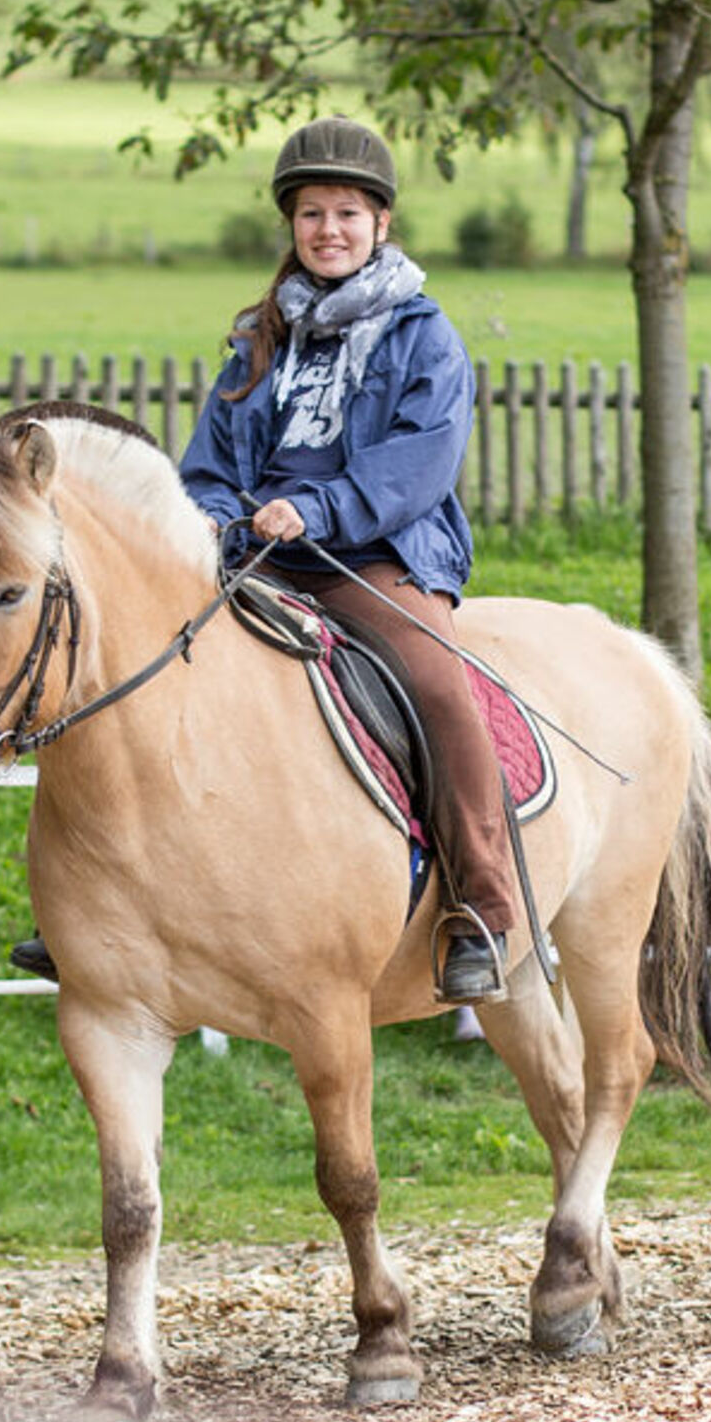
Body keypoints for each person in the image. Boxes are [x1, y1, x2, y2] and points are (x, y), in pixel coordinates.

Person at [176, 115, 516, 1005]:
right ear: (292, 225)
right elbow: (210, 463)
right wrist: (215, 519)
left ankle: (483, 905)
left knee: (438, 685)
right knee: (147, 663)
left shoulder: (423, 336)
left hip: (372, 551)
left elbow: (419, 462)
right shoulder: (258, 337)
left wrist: (318, 507)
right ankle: (126, 900)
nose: (329, 230)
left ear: (381, 226)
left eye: (348, 214)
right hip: (259, 554)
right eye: (313, 213)